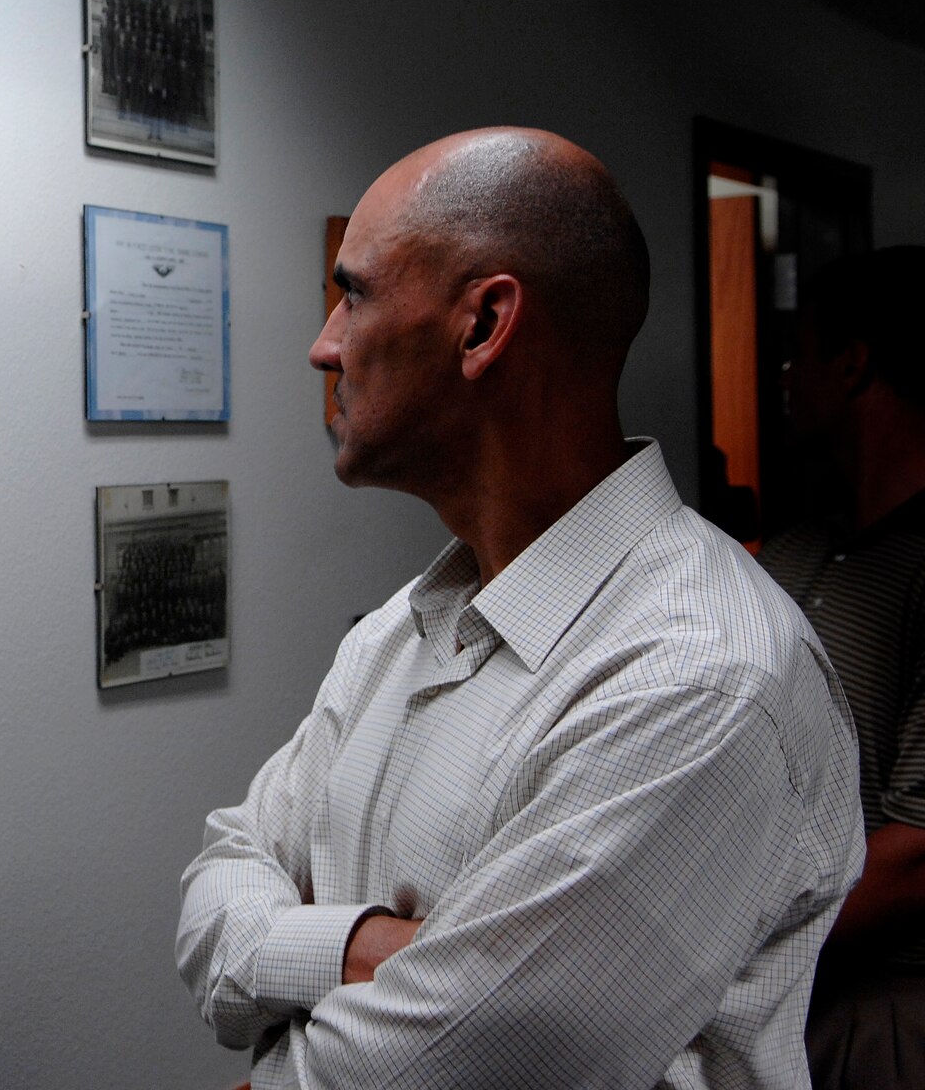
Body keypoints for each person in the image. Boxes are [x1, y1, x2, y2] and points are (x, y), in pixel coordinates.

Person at [176, 128, 862, 1088]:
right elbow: (221, 879)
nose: (322, 344)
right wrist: (369, 947)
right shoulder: (401, 628)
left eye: (355, 292)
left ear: (483, 326)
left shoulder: (702, 678)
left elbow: (419, 1076)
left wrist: (291, 991)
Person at [757, 246, 925, 1090]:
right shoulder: (783, 559)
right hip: (766, 1004)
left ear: (853, 365)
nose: (783, 377)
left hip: (886, 1011)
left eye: (799, 355)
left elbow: (917, 854)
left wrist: (717, 954)